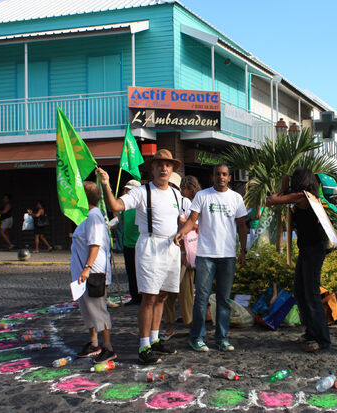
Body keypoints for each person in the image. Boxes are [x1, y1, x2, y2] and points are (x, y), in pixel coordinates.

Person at [97, 149, 182, 364]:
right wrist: (106, 184)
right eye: (160, 164)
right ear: (153, 168)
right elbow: (115, 206)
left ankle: (154, 340)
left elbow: (188, 217)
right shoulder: (142, 192)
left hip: (171, 247)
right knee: (149, 297)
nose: (164, 168)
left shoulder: (176, 194)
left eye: (168, 165)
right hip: (150, 246)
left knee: (163, 295)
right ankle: (144, 346)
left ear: (172, 170)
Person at [175, 164, 248, 353]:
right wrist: (181, 233)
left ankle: (222, 338)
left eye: (224, 174)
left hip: (228, 256)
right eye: (218, 174)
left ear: (229, 178)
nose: (221, 177)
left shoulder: (236, 198)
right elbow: (192, 220)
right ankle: (197, 338)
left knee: (223, 300)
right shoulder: (202, 196)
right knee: (201, 298)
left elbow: (241, 225)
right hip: (206, 255)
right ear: (212, 177)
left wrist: (243, 250)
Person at [266, 168, 331, 352]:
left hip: (313, 249)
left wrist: (283, 188)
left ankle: (322, 338)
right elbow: (282, 189)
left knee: (310, 293)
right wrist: (286, 183)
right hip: (307, 249)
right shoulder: (305, 197)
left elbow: (271, 200)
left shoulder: (303, 196)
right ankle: (311, 332)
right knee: (300, 291)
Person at [72, 181, 116, 363]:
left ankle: (108, 347)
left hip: (93, 273)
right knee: (87, 309)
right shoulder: (88, 216)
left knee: (98, 310)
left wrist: (87, 268)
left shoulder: (94, 216)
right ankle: (94, 343)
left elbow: (95, 245)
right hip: (84, 273)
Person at [163, 173, 197, 338]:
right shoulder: (159, 201)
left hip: (183, 252)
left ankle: (191, 324)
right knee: (166, 292)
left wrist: (184, 251)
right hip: (165, 251)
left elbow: (194, 224)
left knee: (186, 291)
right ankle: (169, 324)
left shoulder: (185, 202)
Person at [120, 179, 142, 306]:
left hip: (138, 244)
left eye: (127, 190)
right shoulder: (126, 206)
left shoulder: (139, 205)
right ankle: (135, 296)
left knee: (139, 272)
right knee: (130, 272)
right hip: (127, 244)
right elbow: (122, 222)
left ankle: (141, 296)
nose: (125, 192)